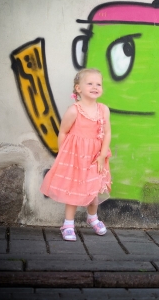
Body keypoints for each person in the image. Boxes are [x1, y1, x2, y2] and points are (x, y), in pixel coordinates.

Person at [40, 68, 112, 241]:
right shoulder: (74, 111)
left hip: (96, 158)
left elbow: (107, 133)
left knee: (94, 189)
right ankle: (68, 224)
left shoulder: (103, 110)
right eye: (90, 83)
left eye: (98, 84)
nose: (95, 87)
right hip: (76, 158)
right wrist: (63, 154)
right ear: (78, 88)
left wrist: (102, 155)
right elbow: (63, 132)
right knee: (73, 190)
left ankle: (92, 217)